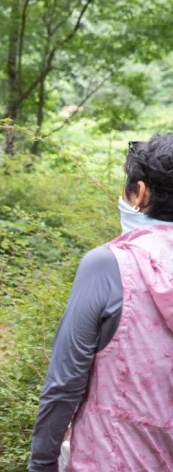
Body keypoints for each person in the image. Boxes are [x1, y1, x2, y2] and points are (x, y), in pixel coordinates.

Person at [29, 134, 173, 472]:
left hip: (112, 458)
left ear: (139, 192)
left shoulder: (107, 265)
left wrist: (42, 463)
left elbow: (65, 383)